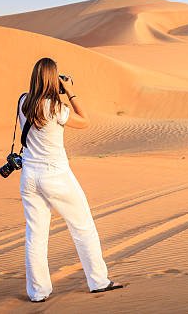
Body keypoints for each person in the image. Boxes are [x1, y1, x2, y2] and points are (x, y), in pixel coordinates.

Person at [18, 57, 123, 302]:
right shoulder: (57, 108)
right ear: (53, 79)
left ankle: (37, 292)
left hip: (29, 176)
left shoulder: (23, 102)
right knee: (83, 226)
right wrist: (70, 92)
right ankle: (98, 281)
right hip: (55, 175)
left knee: (35, 234)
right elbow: (85, 121)